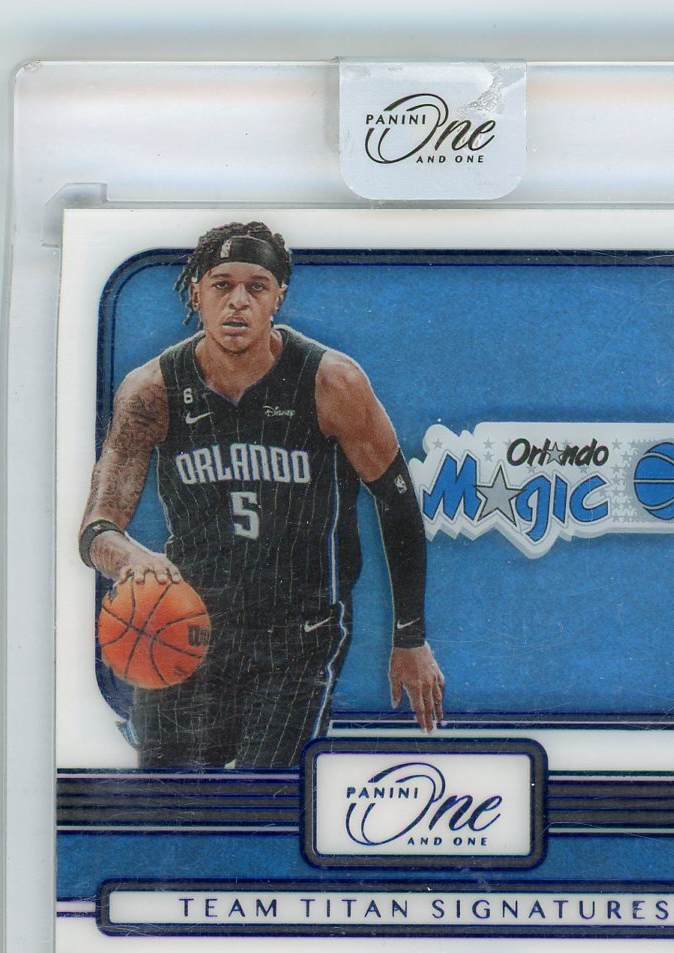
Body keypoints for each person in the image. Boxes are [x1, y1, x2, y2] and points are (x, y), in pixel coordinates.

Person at [79, 221, 444, 768]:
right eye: (222, 285)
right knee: (167, 796)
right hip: (189, 624)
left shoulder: (331, 382)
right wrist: (129, 557)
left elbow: (395, 502)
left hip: (296, 635)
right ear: (196, 293)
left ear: (278, 298)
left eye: (256, 287)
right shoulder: (152, 390)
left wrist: (410, 637)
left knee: (261, 797)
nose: (238, 302)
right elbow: (97, 529)